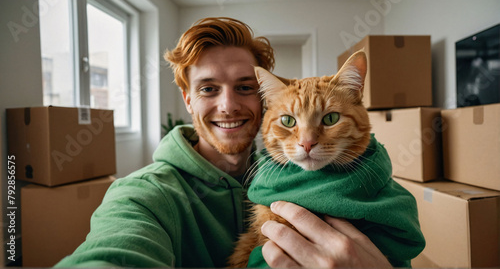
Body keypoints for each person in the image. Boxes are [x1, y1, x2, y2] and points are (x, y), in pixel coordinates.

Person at [55, 17, 392, 268]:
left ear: (265, 100)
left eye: (245, 87)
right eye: (208, 88)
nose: (228, 105)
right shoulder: (144, 196)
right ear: (187, 99)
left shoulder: (294, 173)